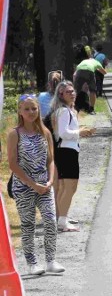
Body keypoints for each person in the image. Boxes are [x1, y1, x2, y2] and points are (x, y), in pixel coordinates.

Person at [7, 95, 63, 275]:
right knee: (28, 224)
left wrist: (50, 180)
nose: (31, 112)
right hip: (24, 186)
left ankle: (51, 260)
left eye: (34, 109)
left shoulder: (45, 132)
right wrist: (32, 184)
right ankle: (32, 263)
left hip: (44, 185)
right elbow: (13, 164)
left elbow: (50, 160)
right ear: (20, 111)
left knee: (50, 220)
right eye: (27, 109)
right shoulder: (14, 134)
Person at [49, 81, 96, 232]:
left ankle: (62, 218)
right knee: (69, 187)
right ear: (61, 95)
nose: (72, 93)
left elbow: (67, 131)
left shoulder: (67, 110)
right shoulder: (63, 111)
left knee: (66, 187)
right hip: (66, 152)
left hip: (67, 151)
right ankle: (62, 222)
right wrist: (79, 132)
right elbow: (63, 133)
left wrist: (81, 130)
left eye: (73, 91)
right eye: (68, 92)